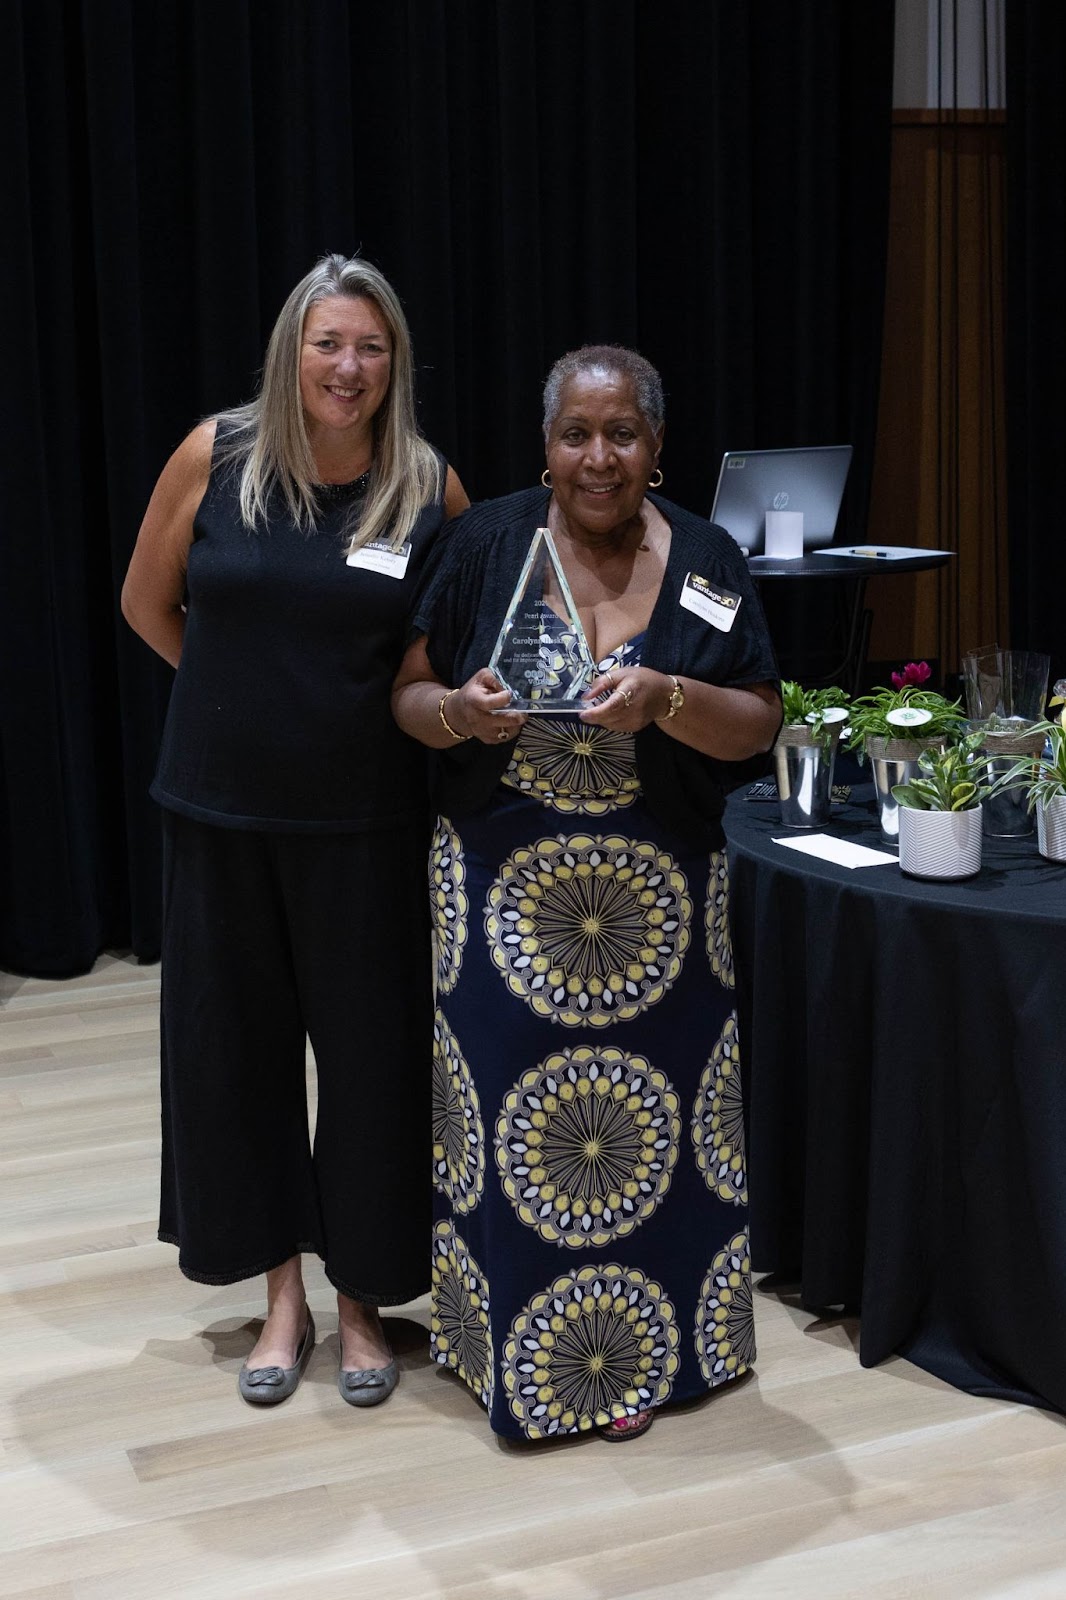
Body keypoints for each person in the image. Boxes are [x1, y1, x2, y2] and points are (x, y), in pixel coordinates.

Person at [392, 344, 782, 1442]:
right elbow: (407, 694)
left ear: (656, 448)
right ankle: (509, 1352)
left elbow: (758, 720)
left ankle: (645, 1355)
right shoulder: (485, 543)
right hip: (501, 892)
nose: (598, 457)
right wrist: (460, 714)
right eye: (577, 434)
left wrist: (667, 697)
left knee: (654, 1136)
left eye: (622, 434)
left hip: (662, 898)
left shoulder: (706, 558)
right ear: (546, 444)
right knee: (516, 1131)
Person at [122, 253, 468, 1407]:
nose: (348, 366)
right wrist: (236, 699)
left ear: (394, 362)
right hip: (219, 814)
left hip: (367, 824)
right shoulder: (214, 455)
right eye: (328, 343)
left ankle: (363, 1299)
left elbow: (453, 647)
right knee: (238, 1058)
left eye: (370, 346)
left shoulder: (427, 486)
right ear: (292, 351)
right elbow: (145, 602)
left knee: (371, 1067)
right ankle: (284, 1297)